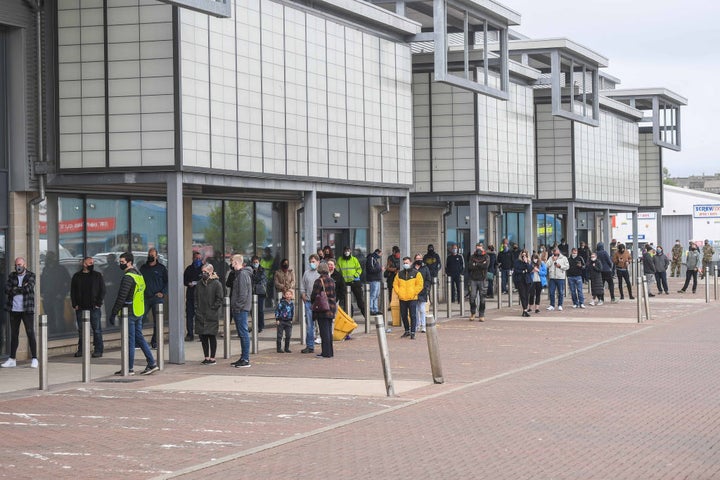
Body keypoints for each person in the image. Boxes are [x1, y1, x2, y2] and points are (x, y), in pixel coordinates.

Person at [109, 253, 159, 376]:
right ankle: (152, 363)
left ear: (129, 262)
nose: (121, 264)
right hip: (138, 311)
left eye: (122, 262)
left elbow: (121, 297)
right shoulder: (138, 275)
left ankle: (129, 368)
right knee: (139, 338)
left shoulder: (128, 277)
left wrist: (113, 312)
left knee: (130, 341)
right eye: (120, 261)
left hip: (129, 312)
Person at [2, 257, 38, 368]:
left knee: (30, 333)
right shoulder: (12, 276)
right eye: (17, 264)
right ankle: (12, 359)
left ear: (25, 265)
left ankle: (35, 359)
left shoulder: (31, 275)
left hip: (26, 310)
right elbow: (7, 290)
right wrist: (21, 287)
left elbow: (29, 288)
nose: (18, 266)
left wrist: (15, 289)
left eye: (20, 264)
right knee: (14, 334)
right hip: (14, 310)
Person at [70, 256, 106, 358]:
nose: (92, 265)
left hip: (94, 307)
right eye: (89, 263)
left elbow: (102, 290)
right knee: (81, 330)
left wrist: (98, 303)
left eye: (92, 263)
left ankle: (98, 350)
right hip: (80, 308)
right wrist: (75, 304)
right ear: (84, 264)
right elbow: (73, 291)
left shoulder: (97, 276)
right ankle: (82, 349)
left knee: (97, 329)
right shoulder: (77, 276)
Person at [194, 263, 223, 365]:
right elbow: (195, 299)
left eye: (205, 272)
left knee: (211, 336)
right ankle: (206, 357)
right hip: (201, 314)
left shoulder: (216, 284)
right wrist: (197, 310)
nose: (203, 274)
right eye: (202, 272)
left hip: (211, 314)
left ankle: (212, 357)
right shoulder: (199, 284)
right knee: (203, 337)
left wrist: (213, 309)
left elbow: (219, 299)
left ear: (211, 272)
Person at [140, 247, 168, 349]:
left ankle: (155, 342)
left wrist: (163, 292)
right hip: (145, 298)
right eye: (149, 255)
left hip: (157, 298)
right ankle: (139, 341)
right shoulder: (143, 268)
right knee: (140, 319)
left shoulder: (161, 268)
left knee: (157, 321)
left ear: (156, 256)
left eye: (152, 255)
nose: (150, 256)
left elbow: (167, 281)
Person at [230, 254, 253, 367]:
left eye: (232, 261)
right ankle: (243, 357)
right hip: (239, 308)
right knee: (242, 333)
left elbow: (243, 294)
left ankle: (245, 359)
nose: (231, 263)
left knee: (243, 333)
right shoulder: (239, 274)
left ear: (236, 262)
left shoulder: (243, 275)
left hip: (241, 309)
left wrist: (237, 306)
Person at [40, 250, 71, 333]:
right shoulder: (45, 269)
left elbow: (68, 283)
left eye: (50, 257)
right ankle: (52, 335)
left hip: (57, 298)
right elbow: (42, 282)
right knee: (50, 319)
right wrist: (42, 293)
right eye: (47, 257)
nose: (48, 259)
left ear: (54, 258)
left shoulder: (61, 269)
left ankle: (61, 336)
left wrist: (62, 294)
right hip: (47, 298)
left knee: (59, 318)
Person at [310, 262, 337, 358]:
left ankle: (326, 353)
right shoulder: (331, 280)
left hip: (322, 309)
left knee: (324, 332)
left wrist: (312, 302)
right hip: (331, 308)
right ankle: (330, 352)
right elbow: (333, 294)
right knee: (328, 331)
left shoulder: (319, 281)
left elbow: (314, 295)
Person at [393, 257, 424, 339]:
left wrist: (414, 292)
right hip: (402, 298)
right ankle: (407, 330)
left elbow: (420, 284)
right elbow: (395, 284)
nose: (405, 264)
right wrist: (399, 292)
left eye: (407, 263)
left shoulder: (416, 273)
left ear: (410, 263)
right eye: (404, 263)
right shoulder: (399, 274)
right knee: (403, 315)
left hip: (412, 298)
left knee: (413, 315)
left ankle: (413, 332)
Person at [299, 254, 320, 354]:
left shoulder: (320, 273)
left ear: (318, 262)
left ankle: (325, 344)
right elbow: (302, 285)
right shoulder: (306, 273)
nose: (312, 263)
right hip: (308, 301)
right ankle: (310, 345)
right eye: (311, 262)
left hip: (319, 302)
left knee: (321, 324)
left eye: (314, 261)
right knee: (309, 325)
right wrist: (303, 294)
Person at [336, 246, 365, 317]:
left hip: (354, 282)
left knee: (360, 300)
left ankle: (365, 315)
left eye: (348, 250)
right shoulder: (340, 260)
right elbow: (337, 270)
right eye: (345, 251)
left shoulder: (354, 259)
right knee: (347, 301)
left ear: (350, 251)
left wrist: (356, 275)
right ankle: (350, 316)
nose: (346, 252)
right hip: (345, 283)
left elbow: (359, 269)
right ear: (343, 251)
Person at [183, 250, 203, 341]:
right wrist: (189, 283)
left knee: (200, 316)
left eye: (199, 258)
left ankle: (201, 334)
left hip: (200, 296)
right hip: (191, 295)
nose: (198, 260)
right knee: (189, 315)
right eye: (196, 258)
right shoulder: (189, 269)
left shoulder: (203, 269)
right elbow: (184, 281)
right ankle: (190, 334)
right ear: (193, 258)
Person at [467, 242, 488, 322]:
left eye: (480, 247)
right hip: (473, 279)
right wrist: (480, 264)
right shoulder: (472, 256)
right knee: (472, 297)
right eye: (477, 247)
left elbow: (486, 266)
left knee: (483, 298)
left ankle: (481, 314)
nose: (478, 248)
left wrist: (476, 264)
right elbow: (470, 266)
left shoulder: (486, 256)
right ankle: (473, 313)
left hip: (482, 279)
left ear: (483, 248)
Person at [413, 253, 431, 333]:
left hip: (423, 291)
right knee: (415, 309)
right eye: (417, 258)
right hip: (414, 291)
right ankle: (417, 324)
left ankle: (423, 325)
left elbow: (428, 278)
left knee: (422, 309)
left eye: (420, 258)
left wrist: (426, 287)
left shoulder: (425, 268)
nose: (419, 260)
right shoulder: (412, 268)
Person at [513, 249, 533, 317]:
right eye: (523, 255)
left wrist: (526, 262)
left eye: (525, 255)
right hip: (520, 280)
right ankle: (524, 310)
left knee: (527, 295)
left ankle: (525, 309)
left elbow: (530, 270)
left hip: (527, 280)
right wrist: (523, 271)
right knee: (522, 295)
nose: (524, 256)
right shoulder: (517, 261)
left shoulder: (529, 262)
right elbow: (516, 270)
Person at [250, 255, 267, 332]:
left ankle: (261, 326)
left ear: (259, 262)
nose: (255, 263)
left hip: (260, 292)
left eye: (256, 262)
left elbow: (261, 279)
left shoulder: (262, 270)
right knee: (252, 310)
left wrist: (254, 277)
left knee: (260, 310)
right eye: (254, 262)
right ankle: (254, 325)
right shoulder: (250, 269)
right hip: (252, 292)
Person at [365, 248, 383, 315]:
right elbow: (370, 269)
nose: (381, 255)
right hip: (373, 279)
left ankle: (375, 309)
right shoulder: (371, 258)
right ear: (378, 252)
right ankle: (371, 309)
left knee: (376, 295)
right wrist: (380, 269)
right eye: (381, 253)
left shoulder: (375, 259)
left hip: (377, 279)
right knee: (372, 295)